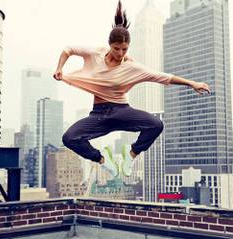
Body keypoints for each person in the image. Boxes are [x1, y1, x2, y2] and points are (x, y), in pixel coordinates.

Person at [53, 0, 210, 178]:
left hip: (121, 111)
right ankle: (103, 161)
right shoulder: (95, 54)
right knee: (69, 138)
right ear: (109, 45)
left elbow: (163, 77)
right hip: (99, 114)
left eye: (125, 49)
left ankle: (131, 156)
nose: (120, 53)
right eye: (116, 48)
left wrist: (192, 83)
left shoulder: (132, 67)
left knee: (156, 124)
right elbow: (68, 49)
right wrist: (60, 68)